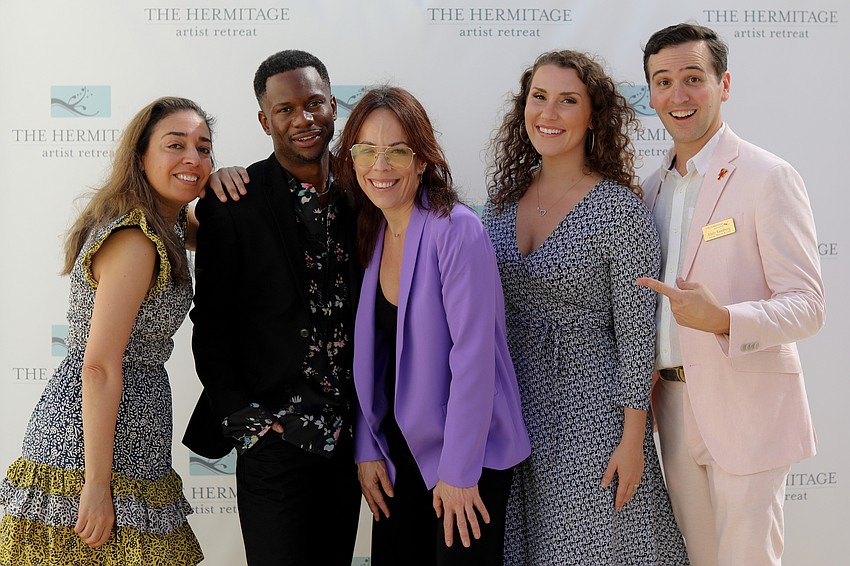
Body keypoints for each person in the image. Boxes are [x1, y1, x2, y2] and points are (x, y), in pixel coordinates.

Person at [483, 50, 689, 564]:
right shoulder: (501, 203)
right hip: (515, 417)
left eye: (567, 101)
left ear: (593, 115)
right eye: (539, 97)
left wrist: (633, 440)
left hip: (593, 422)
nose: (548, 114)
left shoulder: (619, 210)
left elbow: (639, 335)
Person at [636, 24, 824, 566]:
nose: (678, 95)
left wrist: (724, 319)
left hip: (748, 409)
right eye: (663, 81)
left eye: (693, 78)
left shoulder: (768, 177)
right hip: (671, 408)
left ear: (723, 85)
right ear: (650, 94)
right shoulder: (649, 191)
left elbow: (808, 304)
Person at [0, 96, 212, 565]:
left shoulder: (166, 227)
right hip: (94, 441)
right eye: (175, 145)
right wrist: (96, 486)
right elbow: (97, 365)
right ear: (141, 156)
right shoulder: (137, 240)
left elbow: (211, 227)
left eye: (204, 147)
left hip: (135, 430)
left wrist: (224, 183)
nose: (192, 158)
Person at [334, 85, 530, 566]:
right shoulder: (374, 228)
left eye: (398, 151)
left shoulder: (457, 229)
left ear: (421, 161)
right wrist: (368, 447)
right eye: (366, 149)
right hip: (399, 450)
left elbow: (475, 358)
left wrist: (460, 472)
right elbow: (373, 359)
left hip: (467, 452)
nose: (379, 166)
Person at [182, 50, 361, 566]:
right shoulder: (233, 201)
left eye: (314, 104)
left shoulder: (364, 192)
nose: (302, 119)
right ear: (264, 120)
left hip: (349, 440)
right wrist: (248, 425)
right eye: (285, 110)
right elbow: (211, 324)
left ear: (333, 107)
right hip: (273, 442)